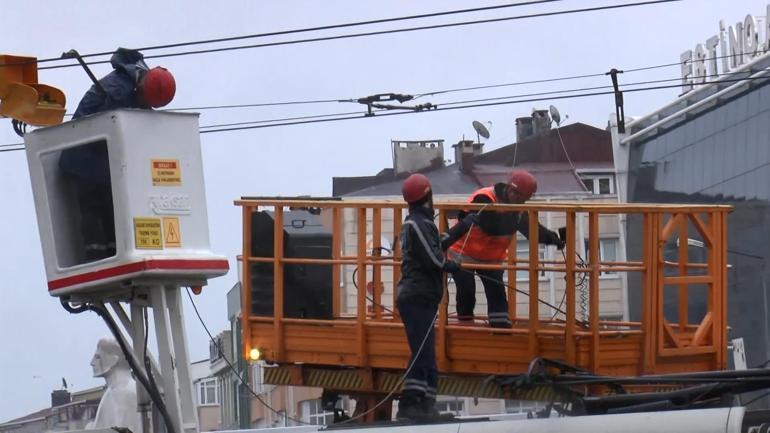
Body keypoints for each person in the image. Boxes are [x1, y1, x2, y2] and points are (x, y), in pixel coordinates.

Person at [58, 48, 176, 262]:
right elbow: (105, 129)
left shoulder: (140, 81)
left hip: (102, 159)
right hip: (80, 156)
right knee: (94, 205)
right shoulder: (118, 92)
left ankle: (114, 252)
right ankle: (96, 257)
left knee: (112, 204)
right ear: (141, 88)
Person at [447, 169, 565, 328]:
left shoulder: (518, 209)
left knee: (497, 293)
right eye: (520, 198)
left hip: (491, 257)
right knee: (466, 291)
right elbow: (490, 226)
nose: (520, 203)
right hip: (463, 252)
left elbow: (533, 231)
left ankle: (501, 328)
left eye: (524, 200)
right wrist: (518, 221)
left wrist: (554, 239)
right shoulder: (484, 198)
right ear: (511, 190)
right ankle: (465, 326)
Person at [396, 173, 460, 421]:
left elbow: (438, 243)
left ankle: (426, 405)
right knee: (422, 353)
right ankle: (410, 404)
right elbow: (433, 257)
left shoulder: (422, 223)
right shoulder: (415, 224)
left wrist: (463, 226)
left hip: (423, 297)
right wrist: (449, 266)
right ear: (427, 196)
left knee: (427, 353)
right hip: (417, 297)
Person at [87, 338, 140, 432]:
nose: (92, 363)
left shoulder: (124, 393)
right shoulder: (115, 391)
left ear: (114, 360)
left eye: (98, 357)